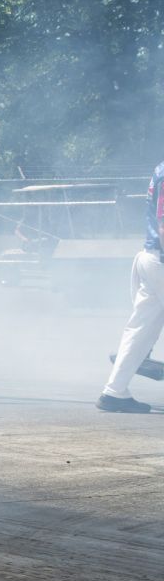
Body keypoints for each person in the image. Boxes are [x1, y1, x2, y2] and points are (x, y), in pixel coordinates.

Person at [97, 159, 164, 413]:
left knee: (140, 332)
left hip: (153, 259)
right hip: (161, 259)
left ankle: (114, 392)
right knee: (139, 331)